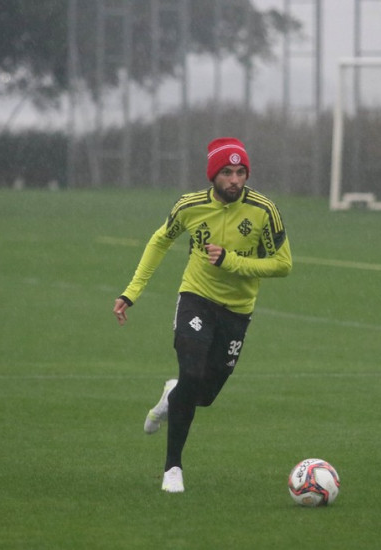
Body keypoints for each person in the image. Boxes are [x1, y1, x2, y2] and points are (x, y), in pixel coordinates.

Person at [112, 137, 293, 493]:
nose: (235, 180)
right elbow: (160, 240)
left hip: (238, 311)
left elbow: (284, 264)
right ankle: (172, 468)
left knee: (203, 394)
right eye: (227, 172)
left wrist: (232, 261)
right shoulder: (189, 206)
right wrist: (131, 292)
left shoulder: (263, 210)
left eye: (241, 172)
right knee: (191, 370)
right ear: (213, 175)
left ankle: (171, 396)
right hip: (197, 297)